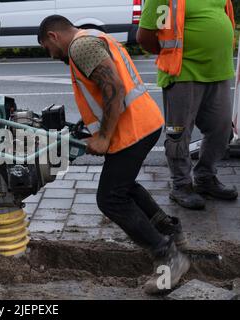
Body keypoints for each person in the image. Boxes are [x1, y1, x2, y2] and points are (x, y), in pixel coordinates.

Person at [37, 15, 189, 294]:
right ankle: (170, 230)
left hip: (132, 130)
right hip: (144, 122)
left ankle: (167, 255)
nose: (51, 54)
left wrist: (105, 136)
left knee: (109, 198)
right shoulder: (94, 37)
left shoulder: (79, 47)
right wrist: (92, 131)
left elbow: (114, 87)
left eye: (48, 48)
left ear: (52, 36)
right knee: (124, 185)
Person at [137, 0, 238, 210]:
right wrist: (172, 55)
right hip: (183, 73)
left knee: (221, 131)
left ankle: (205, 178)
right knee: (178, 134)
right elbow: (145, 37)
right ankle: (181, 185)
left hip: (218, 71)